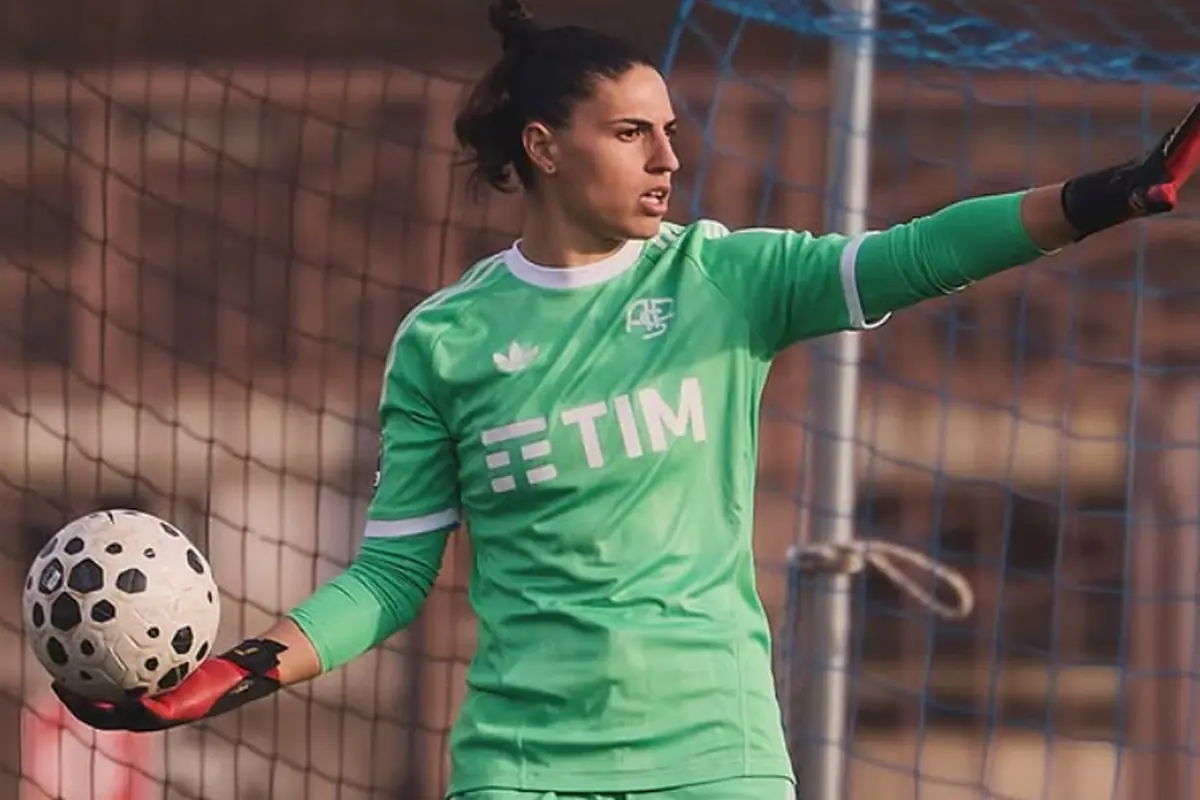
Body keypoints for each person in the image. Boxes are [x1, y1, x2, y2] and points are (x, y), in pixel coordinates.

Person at [54, 1, 1200, 798]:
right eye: (633, 131)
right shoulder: (446, 339)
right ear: (546, 148)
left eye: (671, 131)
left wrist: (1118, 192)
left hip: (718, 756)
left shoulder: (726, 278)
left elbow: (918, 252)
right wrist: (243, 667)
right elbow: (390, 576)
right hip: (520, 764)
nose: (668, 155)